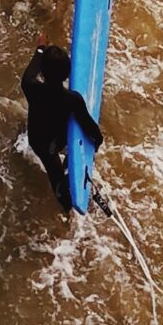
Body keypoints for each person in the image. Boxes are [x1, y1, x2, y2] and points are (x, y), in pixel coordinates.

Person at [20, 44, 103, 214]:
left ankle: (67, 210)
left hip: (37, 141)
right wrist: (96, 144)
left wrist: (40, 48)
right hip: (56, 142)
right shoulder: (72, 99)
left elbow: (31, 69)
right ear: (67, 74)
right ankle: (70, 207)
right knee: (57, 168)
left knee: (54, 173)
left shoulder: (30, 86)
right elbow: (91, 129)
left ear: (42, 73)